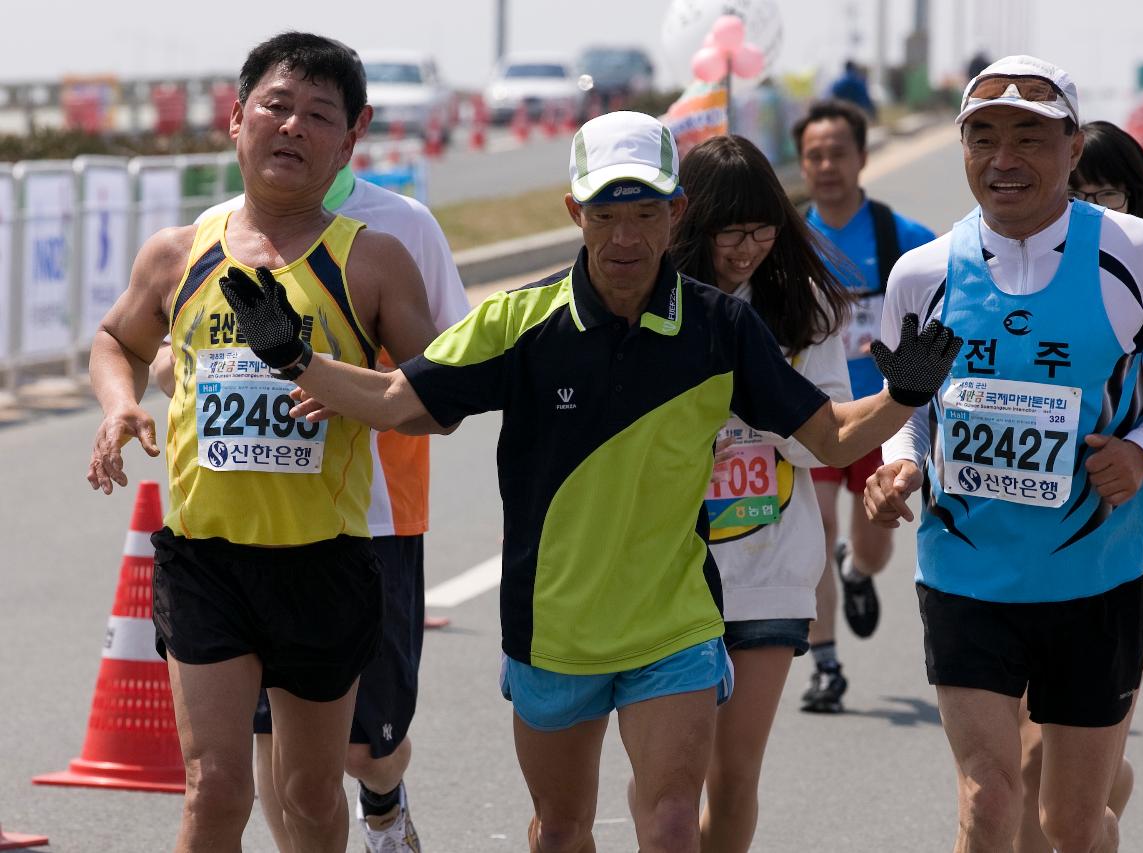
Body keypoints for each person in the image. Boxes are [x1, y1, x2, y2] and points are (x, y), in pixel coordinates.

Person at [215, 109, 962, 853]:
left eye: (646, 212)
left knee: (672, 823)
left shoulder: (719, 328)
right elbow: (394, 401)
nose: (627, 236)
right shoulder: (518, 320)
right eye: (607, 213)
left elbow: (826, 433)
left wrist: (903, 394)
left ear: (677, 213)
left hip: (675, 623)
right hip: (554, 628)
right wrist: (296, 360)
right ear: (576, 212)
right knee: (561, 829)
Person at [864, 55, 1143, 852]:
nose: (1005, 160)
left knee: (1070, 819)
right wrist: (898, 464)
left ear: (1073, 147)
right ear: (962, 150)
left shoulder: (1138, 253)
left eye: (1030, 138)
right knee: (988, 801)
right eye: (984, 138)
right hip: (965, 569)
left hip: (1097, 573)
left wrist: (1140, 451)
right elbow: (908, 409)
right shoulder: (922, 273)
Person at [86, 32, 440, 852]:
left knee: (312, 794)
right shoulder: (179, 253)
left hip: (322, 559)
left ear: (349, 141)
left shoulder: (374, 260)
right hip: (206, 558)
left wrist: (335, 386)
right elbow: (116, 341)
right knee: (213, 789)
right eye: (276, 107)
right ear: (237, 118)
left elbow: (433, 402)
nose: (293, 128)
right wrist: (117, 406)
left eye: (319, 116)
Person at [1012, 119, 1143, 852]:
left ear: (1137, 195)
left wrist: (1135, 449)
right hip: (1013, 558)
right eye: (1074, 194)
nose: (1086, 210)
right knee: (1022, 766)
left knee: (1049, 766)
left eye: (1101, 193)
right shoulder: (1020, 278)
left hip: (1124, 562)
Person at [667, 133, 854, 851]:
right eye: (728, 234)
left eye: (761, 231)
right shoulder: (659, 298)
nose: (746, 250)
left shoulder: (804, 307)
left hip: (772, 568)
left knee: (735, 773)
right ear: (690, 224)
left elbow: (822, 440)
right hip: (668, 571)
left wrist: (765, 396)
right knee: (671, 783)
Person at [792, 99, 936, 712]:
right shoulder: (789, 239)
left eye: (837, 153)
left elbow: (943, 303)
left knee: (873, 545)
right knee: (813, 531)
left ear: (862, 158)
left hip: (884, 414)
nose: (826, 165)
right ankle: (825, 665)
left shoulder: (897, 236)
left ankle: (857, 573)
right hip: (817, 412)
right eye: (813, 155)